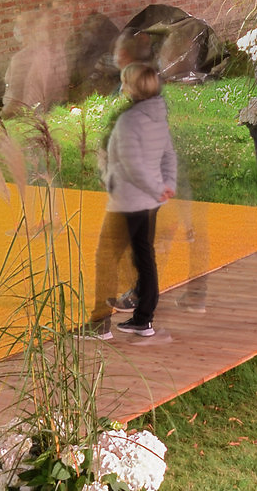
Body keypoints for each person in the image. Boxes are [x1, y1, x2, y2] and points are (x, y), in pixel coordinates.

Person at [91, 62, 177, 339]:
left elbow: (131, 164)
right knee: (144, 256)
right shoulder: (158, 117)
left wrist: (155, 187)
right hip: (150, 202)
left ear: (133, 88)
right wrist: (167, 185)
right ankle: (143, 320)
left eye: (125, 82)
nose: (122, 86)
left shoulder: (130, 121)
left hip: (128, 201)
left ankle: (100, 324)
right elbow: (169, 156)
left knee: (107, 258)